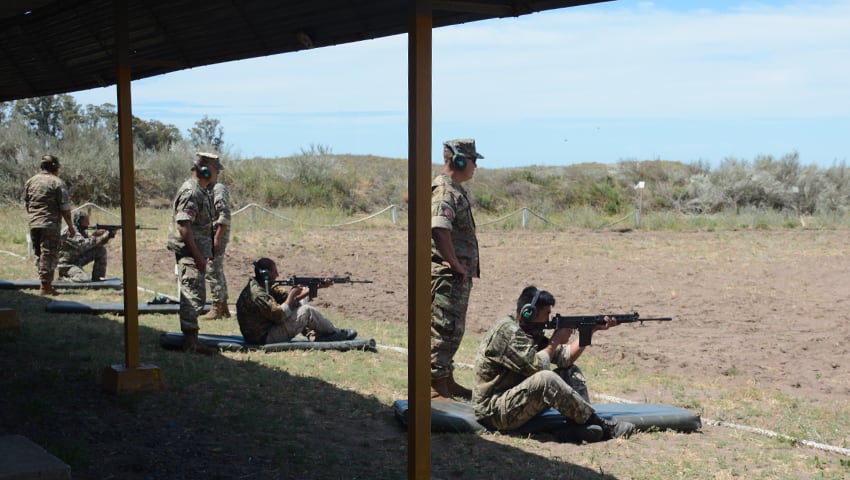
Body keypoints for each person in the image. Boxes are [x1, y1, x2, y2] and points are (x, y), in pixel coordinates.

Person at [472, 286, 636, 443]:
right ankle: (601, 425)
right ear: (529, 313)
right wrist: (555, 341)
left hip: (512, 403)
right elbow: (536, 367)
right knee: (546, 378)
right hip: (493, 412)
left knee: (570, 371)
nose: (549, 319)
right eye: (546, 314)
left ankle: (580, 426)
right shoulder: (507, 332)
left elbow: (565, 358)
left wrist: (591, 330)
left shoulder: (529, 331)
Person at [430, 138, 483, 401]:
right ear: (460, 160)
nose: (475, 167)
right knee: (443, 327)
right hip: (447, 276)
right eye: (473, 160)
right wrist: (453, 263)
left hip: (455, 275)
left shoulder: (453, 188)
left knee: (453, 329)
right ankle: (434, 386)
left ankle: (445, 380)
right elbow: (439, 227)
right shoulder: (445, 190)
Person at [235, 257, 357, 345]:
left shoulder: (262, 285)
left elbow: (291, 302)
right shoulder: (258, 294)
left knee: (300, 305)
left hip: (262, 331)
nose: (278, 274)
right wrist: (292, 294)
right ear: (266, 274)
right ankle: (337, 334)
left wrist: (317, 287)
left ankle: (313, 335)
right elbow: (279, 315)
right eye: (275, 272)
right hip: (262, 338)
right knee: (306, 311)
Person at [166, 154, 218, 355]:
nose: (217, 173)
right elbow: (184, 226)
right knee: (191, 295)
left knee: (196, 295)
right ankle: (190, 341)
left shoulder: (200, 190)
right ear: (204, 170)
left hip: (195, 251)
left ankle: (192, 338)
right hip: (189, 253)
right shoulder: (192, 191)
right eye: (215, 169)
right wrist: (197, 256)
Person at [24, 154, 76, 296]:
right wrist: (71, 227)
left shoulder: (30, 181)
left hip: (34, 223)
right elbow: (65, 209)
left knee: (40, 255)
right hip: (50, 224)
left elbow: (27, 204)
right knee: (49, 254)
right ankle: (45, 287)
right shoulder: (57, 183)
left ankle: (45, 283)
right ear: (54, 167)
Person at [198, 153, 232, 320]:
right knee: (216, 270)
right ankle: (223, 306)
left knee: (212, 270)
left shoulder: (218, 189)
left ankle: (217, 307)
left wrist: (217, 238)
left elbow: (224, 215)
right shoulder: (206, 188)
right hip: (210, 234)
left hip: (216, 234)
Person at [57, 211, 115, 282]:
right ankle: (62, 279)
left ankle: (98, 277)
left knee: (100, 250)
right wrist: (94, 235)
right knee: (84, 279)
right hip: (66, 264)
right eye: (86, 221)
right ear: (79, 221)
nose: (88, 223)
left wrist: (108, 236)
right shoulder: (70, 231)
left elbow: (95, 243)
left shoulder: (81, 230)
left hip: (76, 260)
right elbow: (83, 245)